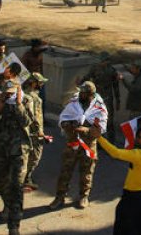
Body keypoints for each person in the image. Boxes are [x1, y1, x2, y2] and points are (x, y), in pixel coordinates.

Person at [49, 81, 107, 210]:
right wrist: (68, 125)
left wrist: (85, 130)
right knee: (65, 170)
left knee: (87, 171)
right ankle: (59, 197)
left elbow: (101, 129)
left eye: (83, 92)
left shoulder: (99, 106)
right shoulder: (74, 103)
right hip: (73, 142)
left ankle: (84, 197)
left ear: (89, 94)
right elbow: (63, 118)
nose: (80, 93)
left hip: (88, 145)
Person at [94, 124, 141, 235]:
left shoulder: (139, 155)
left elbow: (116, 153)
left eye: (140, 137)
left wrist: (99, 137)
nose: (137, 139)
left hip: (132, 197)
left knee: (125, 226)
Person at [0, 81, 30, 234]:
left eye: (12, 92)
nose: (9, 95)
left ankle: (14, 225)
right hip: (1, 149)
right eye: (7, 92)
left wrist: (18, 104)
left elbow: (26, 121)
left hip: (19, 149)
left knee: (17, 187)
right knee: (2, 182)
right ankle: (7, 205)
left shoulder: (26, 100)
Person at [81, 53, 122, 143]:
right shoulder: (95, 68)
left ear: (107, 61)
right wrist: (80, 83)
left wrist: (118, 100)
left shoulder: (112, 71)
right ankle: (98, 141)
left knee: (109, 121)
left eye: (103, 61)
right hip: (96, 97)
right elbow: (87, 77)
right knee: (96, 120)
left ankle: (111, 142)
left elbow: (115, 86)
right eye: (101, 61)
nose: (101, 63)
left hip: (108, 98)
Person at [22, 72, 48, 190]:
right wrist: (39, 131)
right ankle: (26, 178)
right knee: (35, 156)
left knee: (26, 156)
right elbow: (35, 117)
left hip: (26, 131)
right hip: (34, 133)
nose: (41, 84)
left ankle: (24, 177)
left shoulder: (23, 94)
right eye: (40, 82)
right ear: (33, 83)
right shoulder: (33, 98)